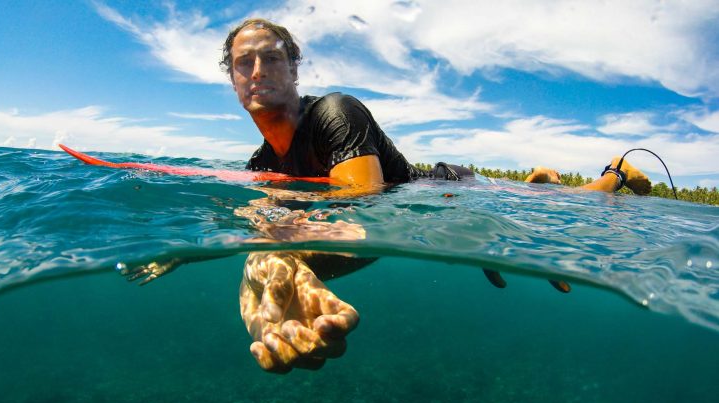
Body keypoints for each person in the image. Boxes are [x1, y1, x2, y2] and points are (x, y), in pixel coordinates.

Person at [131, 18, 653, 374]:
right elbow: (253, 220)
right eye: (245, 63)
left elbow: (368, 212)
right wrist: (187, 248)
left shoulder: (335, 112)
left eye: (272, 58)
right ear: (233, 80)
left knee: (575, 207)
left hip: (450, 193)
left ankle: (613, 174)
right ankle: (538, 183)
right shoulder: (262, 163)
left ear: (294, 68)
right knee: (529, 214)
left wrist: (278, 257)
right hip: (437, 210)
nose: (259, 71)